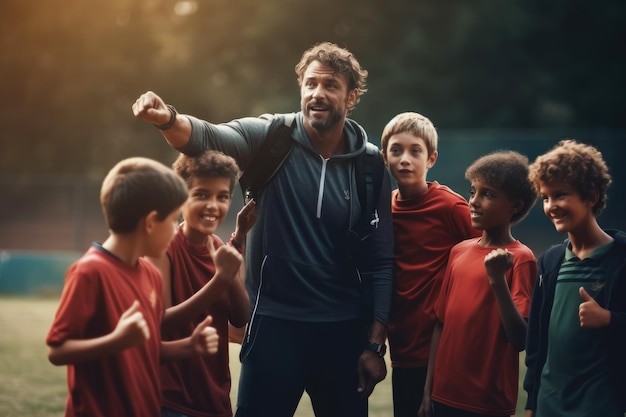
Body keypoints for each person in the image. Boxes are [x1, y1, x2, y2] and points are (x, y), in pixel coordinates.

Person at [132, 41, 394, 417]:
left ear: (351, 97)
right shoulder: (271, 137)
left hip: (342, 332)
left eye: (331, 85)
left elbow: (382, 259)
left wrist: (374, 346)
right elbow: (210, 137)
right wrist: (168, 119)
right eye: (311, 83)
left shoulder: (370, 165)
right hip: (272, 325)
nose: (318, 93)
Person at [46, 157, 220, 417]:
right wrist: (115, 341)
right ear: (150, 223)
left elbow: (144, 348)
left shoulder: (151, 274)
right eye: (173, 220)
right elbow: (57, 351)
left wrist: (189, 346)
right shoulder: (90, 272)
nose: (175, 231)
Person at [419, 150, 538, 417]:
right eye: (473, 191)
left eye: (488, 194)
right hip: (443, 396)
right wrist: (428, 393)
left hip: (488, 404)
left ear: (515, 206)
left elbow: (520, 338)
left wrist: (497, 281)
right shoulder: (458, 251)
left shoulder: (521, 259)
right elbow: (440, 323)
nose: (474, 201)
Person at [380, 112, 480, 417]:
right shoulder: (383, 210)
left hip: (445, 349)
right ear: (384, 157)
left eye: (415, 151)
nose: (405, 159)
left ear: (431, 158)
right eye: (396, 150)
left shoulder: (451, 206)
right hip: (402, 350)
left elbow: (487, 252)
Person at [148, 150, 255, 417]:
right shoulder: (163, 247)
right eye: (201, 195)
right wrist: (220, 281)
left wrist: (238, 241)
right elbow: (159, 322)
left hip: (214, 398)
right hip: (171, 401)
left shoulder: (219, 246)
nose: (213, 205)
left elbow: (240, 316)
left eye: (222, 197)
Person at [523, 139, 626, 417]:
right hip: (548, 404)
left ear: (590, 197)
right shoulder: (549, 262)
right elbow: (536, 342)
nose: (551, 206)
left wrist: (610, 320)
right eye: (545, 197)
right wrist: (532, 402)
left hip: (599, 405)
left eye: (560, 195)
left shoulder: (620, 258)